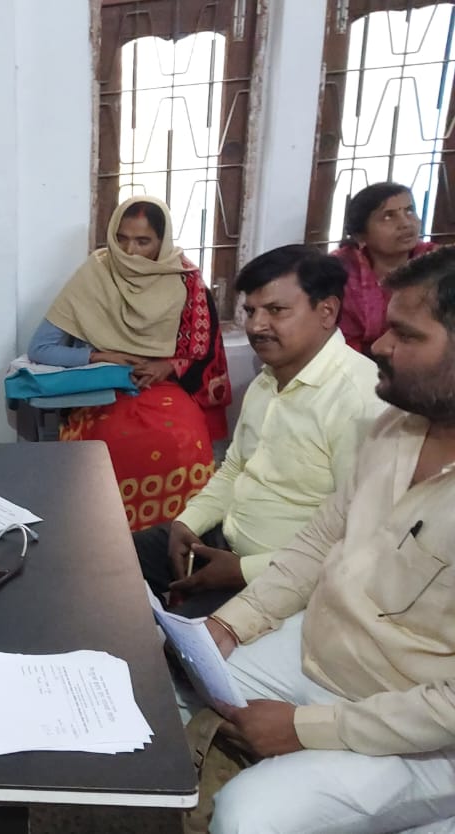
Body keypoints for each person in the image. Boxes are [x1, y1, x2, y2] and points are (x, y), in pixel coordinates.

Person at [195, 246, 455, 834]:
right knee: (181, 677)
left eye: (406, 335)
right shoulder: (395, 425)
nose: (379, 345)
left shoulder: (365, 399)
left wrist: (305, 729)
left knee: (246, 819)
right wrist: (229, 625)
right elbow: (318, 544)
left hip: (419, 725)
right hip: (322, 652)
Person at [135, 245, 385, 617]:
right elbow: (235, 468)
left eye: (276, 310)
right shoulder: (267, 382)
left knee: (175, 646)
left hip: (289, 576)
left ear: (327, 311)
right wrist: (188, 521)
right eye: (251, 311)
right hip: (226, 539)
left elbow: (360, 539)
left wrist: (244, 571)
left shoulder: (360, 400)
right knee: (106, 562)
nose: (255, 326)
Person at [28, 195, 231, 531]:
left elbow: (202, 348)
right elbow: (40, 348)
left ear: (162, 242)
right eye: (121, 239)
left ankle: (178, 538)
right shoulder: (96, 273)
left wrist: (168, 366)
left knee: (184, 439)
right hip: (104, 388)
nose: (130, 251)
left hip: (164, 387)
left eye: (142, 241)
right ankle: (105, 539)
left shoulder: (185, 279)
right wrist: (99, 356)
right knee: (112, 445)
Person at [331, 181, 437, 355]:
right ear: (360, 235)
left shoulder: (437, 263)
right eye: (388, 216)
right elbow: (329, 338)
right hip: (350, 361)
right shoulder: (339, 272)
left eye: (409, 211)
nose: (405, 223)